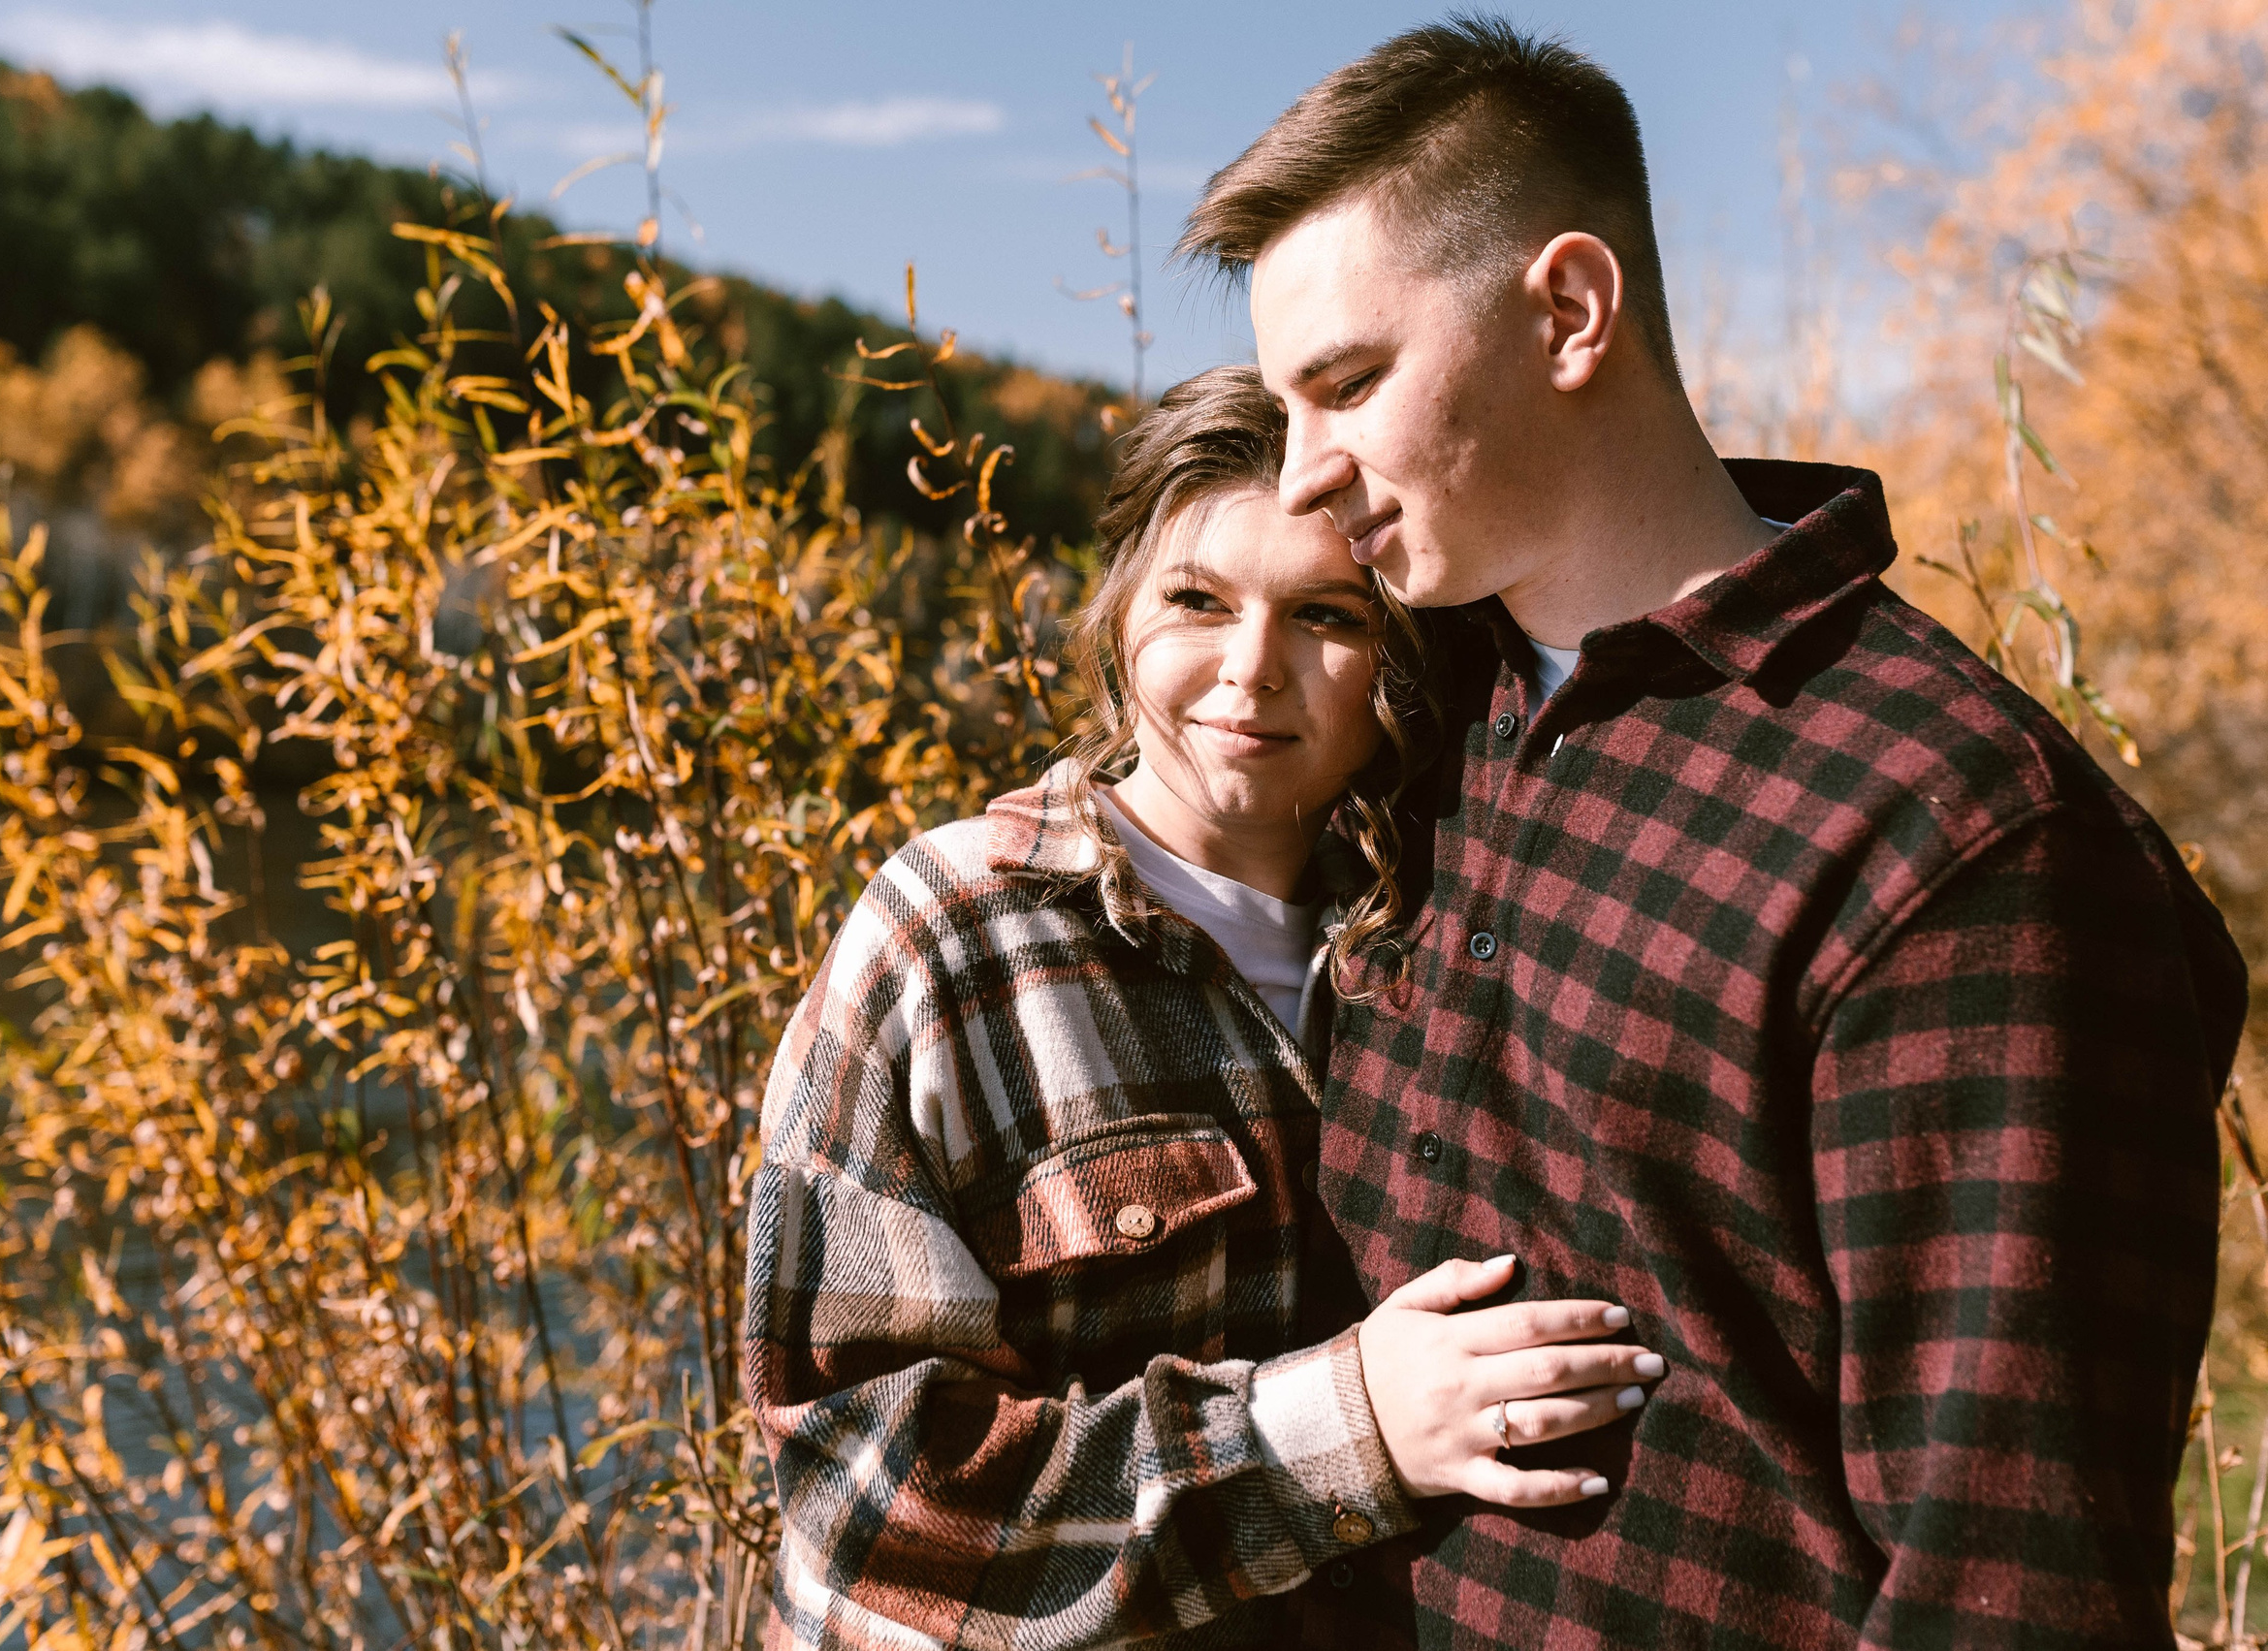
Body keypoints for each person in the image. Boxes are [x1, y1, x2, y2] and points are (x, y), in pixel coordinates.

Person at [1178, 15, 2251, 1649]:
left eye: (1350, 384)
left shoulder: (1959, 839)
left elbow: (2013, 1583)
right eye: (1285, 404)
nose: (1306, 474)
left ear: (1568, 309)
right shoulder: (1409, 716)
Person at [744, 366, 1670, 1651]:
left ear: (1400, 663)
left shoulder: (1437, 942)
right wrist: (1350, 1430)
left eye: (1327, 617)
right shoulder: (951, 935)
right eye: (1195, 600)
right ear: (1122, 613)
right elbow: (868, 1486)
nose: (1251, 670)